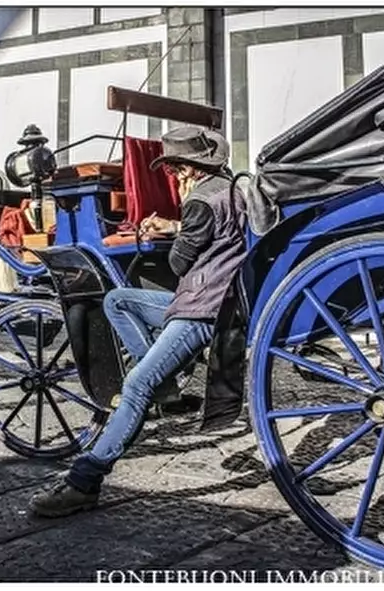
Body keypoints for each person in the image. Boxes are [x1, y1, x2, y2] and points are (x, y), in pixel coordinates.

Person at [29, 125, 248, 518]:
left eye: (175, 171)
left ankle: (84, 481)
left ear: (188, 169)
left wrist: (180, 218)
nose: (174, 177)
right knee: (118, 300)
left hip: (201, 308)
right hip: (218, 298)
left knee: (135, 385)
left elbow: (178, 263)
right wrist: (176, 226)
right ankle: (165, 386)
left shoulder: (198, 200)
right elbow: (216, 235)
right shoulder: (231, 189)